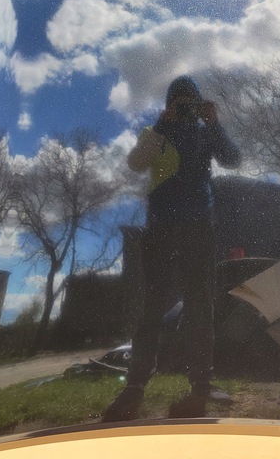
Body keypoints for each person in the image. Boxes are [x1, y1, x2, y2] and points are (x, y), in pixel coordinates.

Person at [103, 75, 242, 421]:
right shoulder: (156, 133)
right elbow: (136, 162)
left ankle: (200, 386)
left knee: (200, 306)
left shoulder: (205, 133)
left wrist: (215, 123)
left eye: (189, 102)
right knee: (152, 306)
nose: (183, 108)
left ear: (198, 105)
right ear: (168, 105)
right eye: (176, 102)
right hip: (162, 228)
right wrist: (161, 124)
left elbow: (232, 159)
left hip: (198, 228)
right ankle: (135, 386)